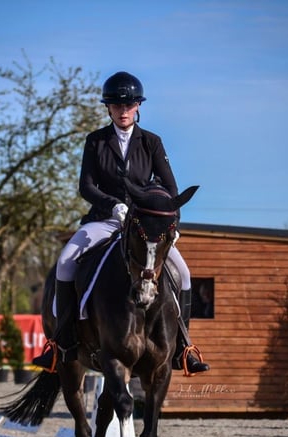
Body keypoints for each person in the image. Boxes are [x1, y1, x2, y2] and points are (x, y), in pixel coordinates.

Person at [32, 71, 209, 375]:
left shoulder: (152, 142)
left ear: (138, 106)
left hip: (144, 227)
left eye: (129, 105)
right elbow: (85, 186)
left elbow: (170, 189)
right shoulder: (96, 141)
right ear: (108, 108)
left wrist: (166, 223)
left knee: (185, 273)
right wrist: (112, 205)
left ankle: (184, 347)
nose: (123, 110)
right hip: (105, 221)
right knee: (65, 262)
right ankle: (61, 342)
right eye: (116, 105)